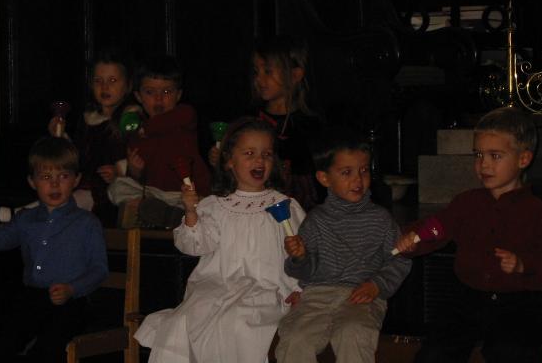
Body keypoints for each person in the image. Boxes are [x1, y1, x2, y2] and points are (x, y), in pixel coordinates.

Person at [394, 107, 542, 363]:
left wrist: (523, 264)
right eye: (478, 154)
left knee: (513, 352)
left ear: (523, 159)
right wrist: (413, 239)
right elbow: (437, 227)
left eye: (495, 156)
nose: (483, 164)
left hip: (516, 303)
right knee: (435, 352)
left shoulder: (537, 211)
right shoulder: (467, 203)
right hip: (467, 299)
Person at [135, 117, 306, 362]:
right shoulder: (215, 206)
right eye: (249, 153)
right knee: (182, 321)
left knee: (237, 322)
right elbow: (194, 245)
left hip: (266, 290)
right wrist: (191, 211)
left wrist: (300, 288)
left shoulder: (285, 206)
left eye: (266, 154)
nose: (259, 160)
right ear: (229, 161)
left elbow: (303, 253)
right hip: (216, 287)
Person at [0, 137, 108, 363]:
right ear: (32, 181)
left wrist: (72, 289)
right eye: (46, 177)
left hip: (71, 301)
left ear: (76, 180)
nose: (54, 184)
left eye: (63, 176)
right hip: (32, 298)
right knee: (0, 349)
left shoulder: (87, 223)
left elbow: (99, 269)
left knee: (48, 350)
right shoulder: (25, 219)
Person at [275, 128, 412, 363]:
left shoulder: (380, 219)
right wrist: (299, 257)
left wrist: (377, 285)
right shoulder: (315, 220)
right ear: (324, 178)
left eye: (363, 170)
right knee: (295, 339)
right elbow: (302, 271)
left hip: (362, 296)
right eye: (346, 172)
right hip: (317, 295)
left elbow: (399, 259)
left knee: (353, 333)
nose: (358, 180)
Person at [209, 35, 322, 211]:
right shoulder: (248, 119)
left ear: (295, 75)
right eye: (256, 72)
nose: (259, 79)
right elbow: (230, 168)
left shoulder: (309, 126)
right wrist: (221, 158)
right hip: (250, 206)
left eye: (268, 71)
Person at [108, 55, 211, 228]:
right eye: (150, 92)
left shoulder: (184, 116)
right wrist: (135, 172)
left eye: (166, 92)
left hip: (186, 193)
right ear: (138, 96)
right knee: (117, 187)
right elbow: (141, 180)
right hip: (155, 195)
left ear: (178, 95)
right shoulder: (136, 136)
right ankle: (160, 214)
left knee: (203, 203)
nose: (158, 98)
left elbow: (173, 119)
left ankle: (168, 215)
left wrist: (145, 129)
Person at [49, 47, 139, 226]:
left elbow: (138, 152)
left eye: (112, 80)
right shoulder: (88, 118)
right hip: (82, 184)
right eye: (98, 81)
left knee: (64, 206)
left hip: (109, 191)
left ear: (128, 86)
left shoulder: (131, 118)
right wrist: (60, 135)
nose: (104, 87)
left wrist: (120, 170)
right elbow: (77, 155)